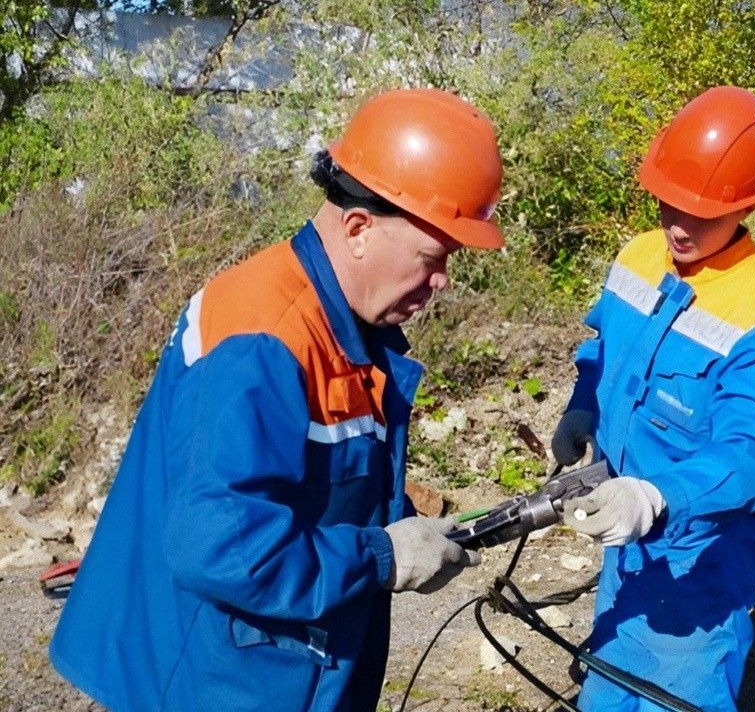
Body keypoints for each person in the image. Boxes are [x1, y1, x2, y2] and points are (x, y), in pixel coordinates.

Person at [50, 87, 505, 712]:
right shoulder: (264, 339)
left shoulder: (343, 324)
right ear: (358, 227)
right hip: (209, 683)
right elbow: (219, 544)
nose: (441, 281)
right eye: (432, 257)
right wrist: (382, 557)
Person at [551, 86, 755, 712]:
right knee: (607, 695)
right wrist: (581, 407)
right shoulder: (639, 257)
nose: (680, 226)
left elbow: (753, 454)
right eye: (671, 204)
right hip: (626, 552)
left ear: (750, 202)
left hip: (701, 569)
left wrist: (659, 495)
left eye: (703, 213)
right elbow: (603, 350)